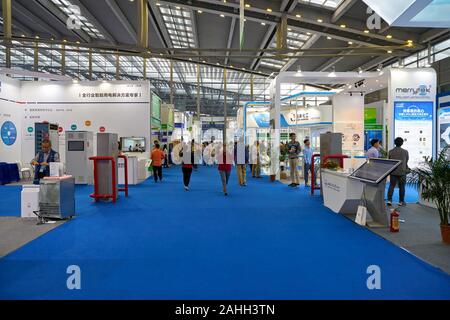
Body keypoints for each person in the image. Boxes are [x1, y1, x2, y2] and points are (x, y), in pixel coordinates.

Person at [387, 137, 410, 207]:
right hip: (402, 171)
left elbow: (389, 161)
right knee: (402, 186)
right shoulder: (405, 152)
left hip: (393, 171)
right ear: (402, 143)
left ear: (395, 143)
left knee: (391, 186)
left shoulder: (390, 151)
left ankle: (389, 200)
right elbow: (406, 161)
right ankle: (401, 201)